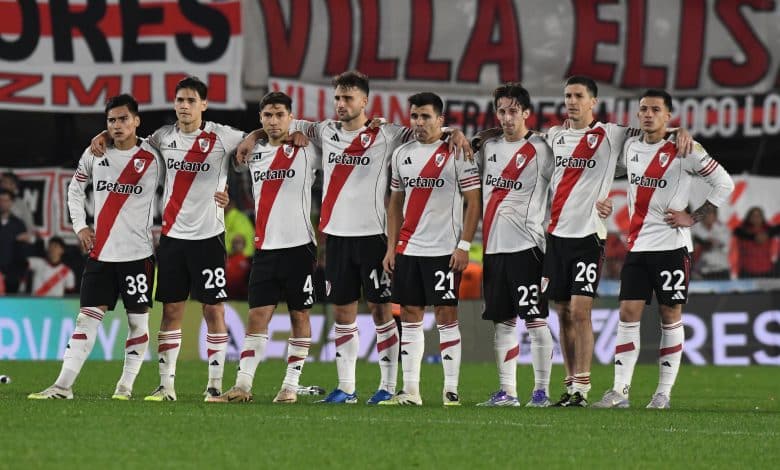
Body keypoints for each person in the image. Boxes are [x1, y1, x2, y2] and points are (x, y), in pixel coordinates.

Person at [237, 70, 471, 405]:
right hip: (337, 238)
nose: (341, 104)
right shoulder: (323, 130)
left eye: (348, 98)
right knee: (343, 314)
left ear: (364, 101)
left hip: (374, 237)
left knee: (379, 312)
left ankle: (388, 386)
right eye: (337, 98)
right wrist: (251, 136)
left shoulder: (387, 133)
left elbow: (427, 130)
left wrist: (454, 132)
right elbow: (279, 124)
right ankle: (346, 388)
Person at [91, 77, 235, 401]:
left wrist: (229, 194)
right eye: (179, 100)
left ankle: (214, 385)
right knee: (171, 311)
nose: (183, 105)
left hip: (209, 236)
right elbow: (129, 139)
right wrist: (102, 134)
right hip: (172, 238)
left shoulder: (222, 138)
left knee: (214, 310)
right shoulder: (162, 137)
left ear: (203, 104)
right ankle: (165, 386)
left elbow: (256, 143)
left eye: (190, 100)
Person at [593, 89, 734, 409]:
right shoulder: (630, 147)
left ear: (668, 115)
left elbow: (725, 183)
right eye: (643, 109)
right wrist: (602, 199)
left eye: (655, 109)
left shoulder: (686, 149)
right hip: (638, 248)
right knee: (627, 315)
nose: (647, 114)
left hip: (672, 247)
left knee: (670, 316)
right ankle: (620, 392)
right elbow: (604, 172)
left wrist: (693, 217)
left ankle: (663, 394)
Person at [28, 94, 161, 400]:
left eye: (123, 119)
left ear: (136, 121)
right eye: (111, 121)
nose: (117, 126)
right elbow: (75, 189)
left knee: (137, 321)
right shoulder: (95, 153)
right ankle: (62, 386)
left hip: (137, 255)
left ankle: (125, 387)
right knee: (86, 318)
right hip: (101, 254)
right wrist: (80, 226)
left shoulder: (155, 156)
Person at [209, 91, 320, 404]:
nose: (274, 121)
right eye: (267, 116)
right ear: (260, 118)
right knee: (257, 316)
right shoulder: (253, 151)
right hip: (265, 248)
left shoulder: (308, 147)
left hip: (299, 247)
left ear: (290, 116)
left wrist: (300, 130)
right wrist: (253, 136)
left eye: (280, 115)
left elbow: (338, 132)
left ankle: (289, 387)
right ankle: (243, 386)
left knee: (300, 315)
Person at [379, 92, 481, 406]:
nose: (419, 123)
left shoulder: (458, 151)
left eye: (425, 117)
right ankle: (410, 391)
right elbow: (395, 204)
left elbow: (474, 202)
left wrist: (464, 245)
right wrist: (391, 247)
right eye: (415, 117)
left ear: (440, 119)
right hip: (409, 248)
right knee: (409, 315)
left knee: (446, 315)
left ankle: (450, 389)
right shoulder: (401, 154)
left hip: (443, 250)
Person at [473, 83, 555, 407]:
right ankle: (507, 391)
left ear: (526, 112)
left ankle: (541, 391)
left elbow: (570, 181)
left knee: (535, 320)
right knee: (503, 322)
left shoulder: (542, 149)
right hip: (494, 249)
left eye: (512, 111)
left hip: (528, 247)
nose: (507, 118)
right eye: (501, 111)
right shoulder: (488, 148)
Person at [0, 189, 31, 293]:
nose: (3, 203)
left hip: (12, 275)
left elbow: (22, 251)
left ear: (11, 203)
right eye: (1, 200)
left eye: (6, 200)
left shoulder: (18, 224)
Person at [733, 207, 777, 278]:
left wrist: (767, 234)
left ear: (762, 217)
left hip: (766, 270)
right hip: (747, 270)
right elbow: (738, 232)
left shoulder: (769, 230)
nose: (756, 218)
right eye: (753, 216)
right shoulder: (742, 231)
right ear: (749, 217)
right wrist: (754, 237)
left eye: (758, 216)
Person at [691, 207, 732, 279]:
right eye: (706, 213)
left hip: (721, 269)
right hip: (702, 270)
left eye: (710, 213)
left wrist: (713, 242)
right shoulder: (694, 229)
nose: (708, 216)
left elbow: (727, 247)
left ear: (715, 215)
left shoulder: (723, 228)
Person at [0, 171, 35, 236]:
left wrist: (27, 237)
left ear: (14, 186)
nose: (3, 185)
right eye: (2, 182)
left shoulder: (21, 205)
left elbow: (29, 227)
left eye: (6, 182)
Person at [225, 234, 251, 299]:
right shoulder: (226, 259)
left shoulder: (249, 261)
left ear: (244, 245)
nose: (236, 245)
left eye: (238, 242)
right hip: (226, 296)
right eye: (234, 242)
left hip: (242, 297)